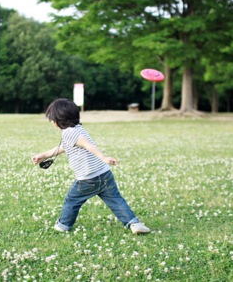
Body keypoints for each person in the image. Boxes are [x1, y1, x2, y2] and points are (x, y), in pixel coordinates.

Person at [32, 98, 151, 234]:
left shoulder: (69, 133)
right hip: (104, 174)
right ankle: (134, 223)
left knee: (72, 200)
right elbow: (62, 148)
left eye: (52, 119)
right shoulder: (77, 129)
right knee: (116, 200)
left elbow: (89, 145)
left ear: (59, 121)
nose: (52, 122)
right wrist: (44, 155)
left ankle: (63, 225)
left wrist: (104, 157)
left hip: (87, 178)